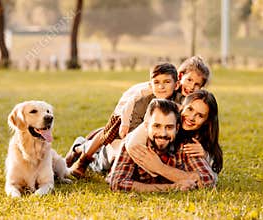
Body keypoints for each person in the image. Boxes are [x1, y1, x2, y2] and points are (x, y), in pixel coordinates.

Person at [66, 56, 211, 177]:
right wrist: (124, 123)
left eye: (197, 85)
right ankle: (82, 154)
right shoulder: (151, 89)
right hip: (126, 112)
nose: (192, 87)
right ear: (180, 77)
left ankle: (91, 143)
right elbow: (132, 101)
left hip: (146, 129)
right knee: (109, 135)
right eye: (190, 80)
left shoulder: (188, 99)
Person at [110, 98, 216, 192]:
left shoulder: (187, 145)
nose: (163, 134)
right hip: (110, 150)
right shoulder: (135, 143)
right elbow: (117, 183)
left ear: (177, 128)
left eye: (169, 127)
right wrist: (171, 187)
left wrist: (160, 168)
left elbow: (208, 180)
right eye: (157, 126)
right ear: (146, 126)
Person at [125, 89, 223, 179]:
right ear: (182, 106)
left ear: (207, 121)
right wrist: (158, 170)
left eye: (200, 115)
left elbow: (211, 177)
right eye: (190, 109)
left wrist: (205, 155)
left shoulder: (199, 138)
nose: (191, 117)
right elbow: (131, 146)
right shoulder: (165, 115)